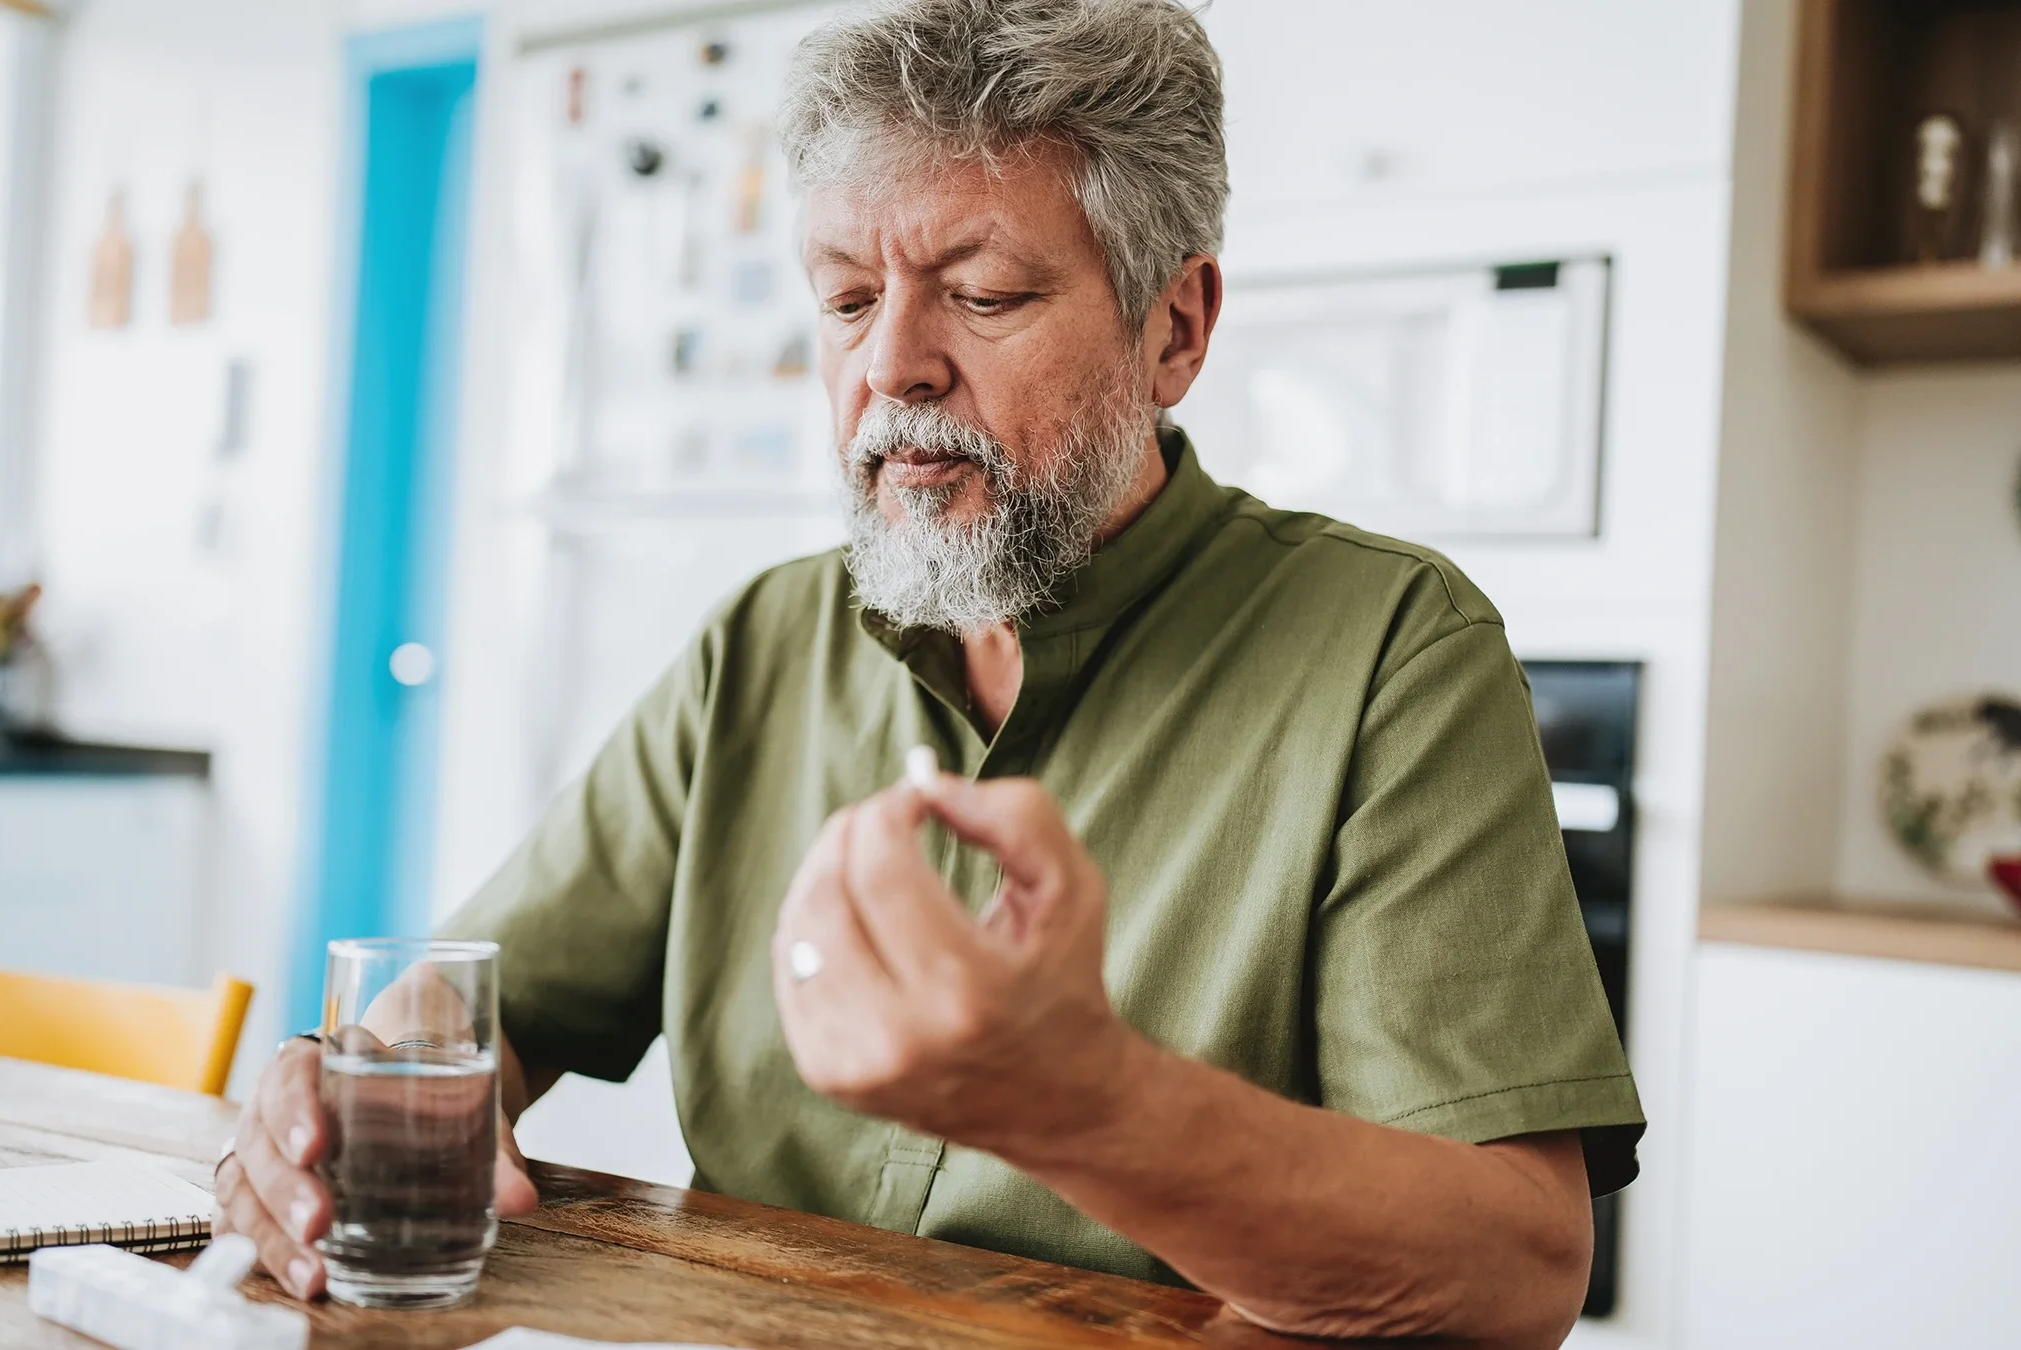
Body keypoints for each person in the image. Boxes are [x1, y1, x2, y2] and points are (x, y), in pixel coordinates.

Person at [217, 0, 1644, 1343]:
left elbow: (1517, 1266)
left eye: (987, 293)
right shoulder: (762, 645)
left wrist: (1090, 1105)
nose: (893, 364)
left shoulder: (1395, 649)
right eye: (845, 300)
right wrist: (329, 1107)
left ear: (1177, 330)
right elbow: (481, 1012)